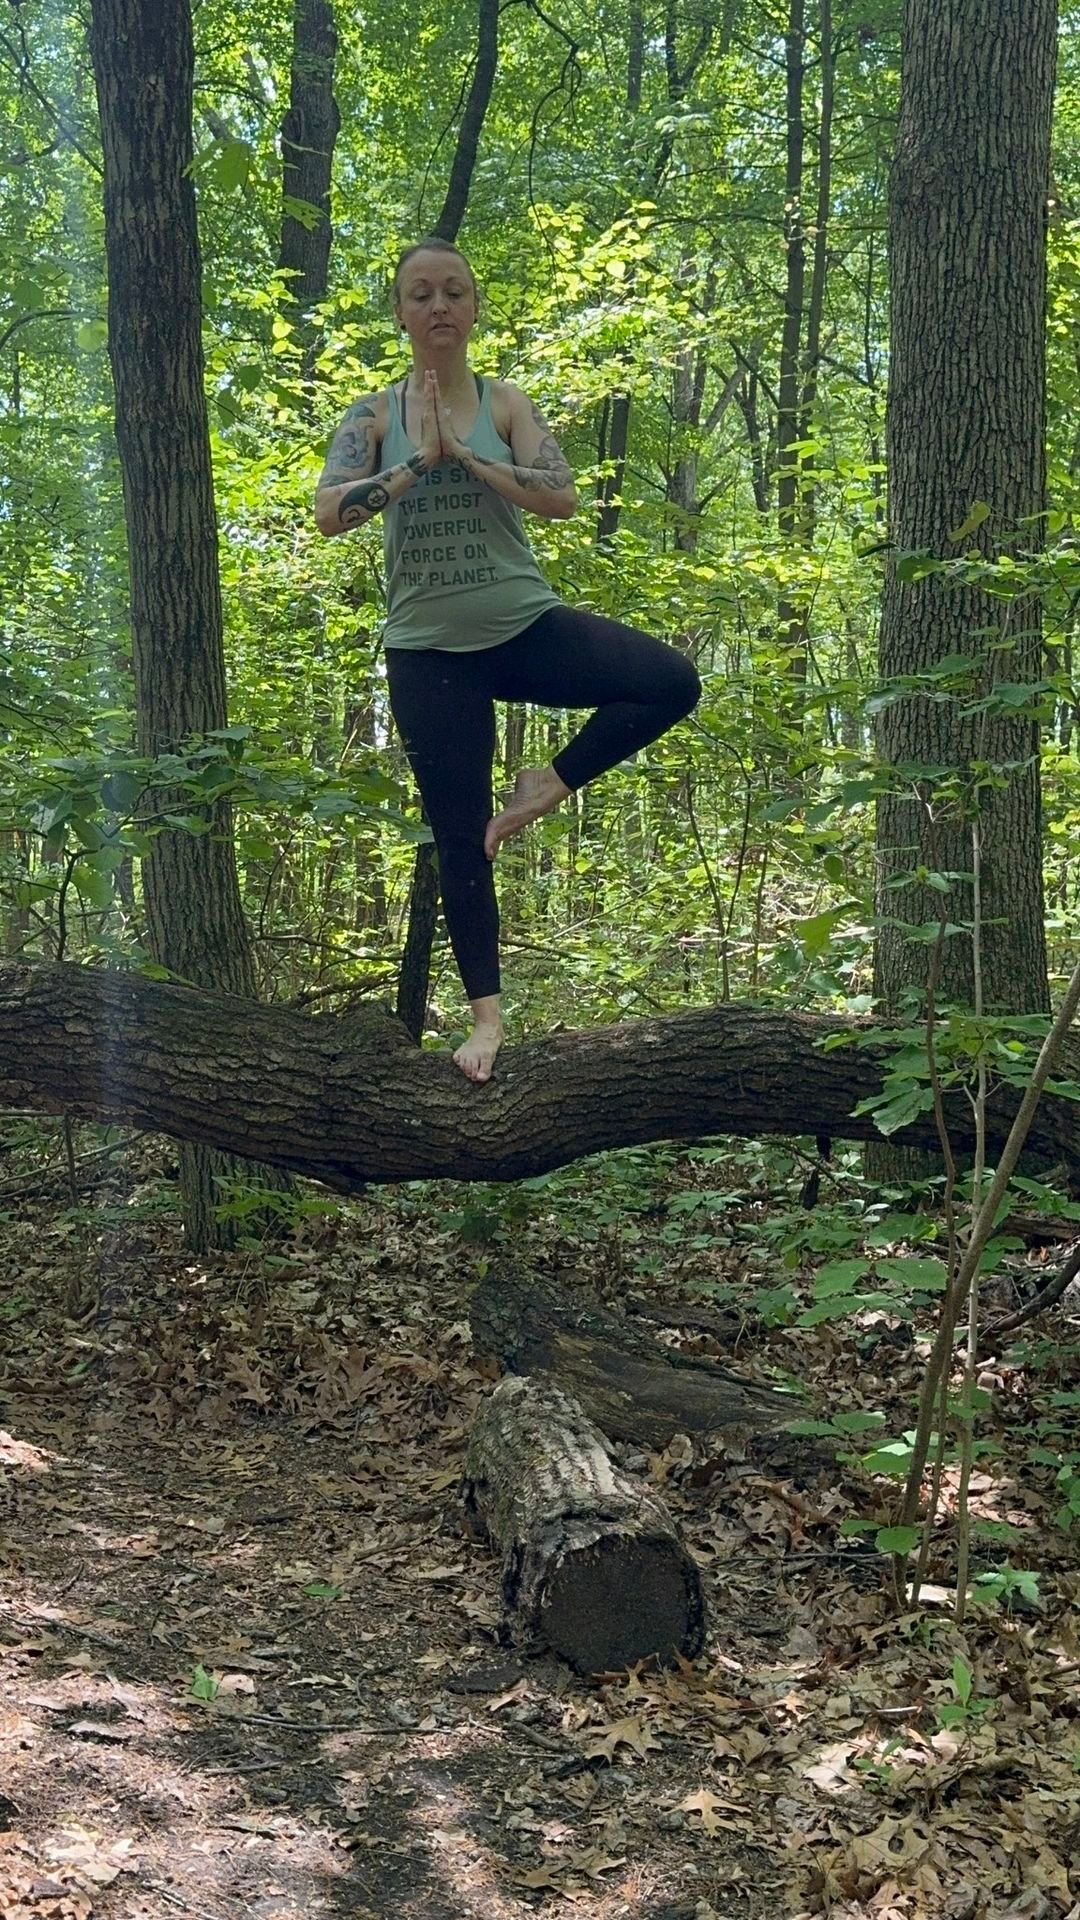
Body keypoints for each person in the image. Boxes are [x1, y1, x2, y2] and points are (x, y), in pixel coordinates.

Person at [314, 237, 701, 1085]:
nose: (439, 305)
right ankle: (486, 1021)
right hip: (427, 654)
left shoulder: (508, 402)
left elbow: (559, 497)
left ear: (475, 308)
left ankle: (548, 784)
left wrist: (473, 456)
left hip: (525, 624)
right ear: (402, 314)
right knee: (461, 837)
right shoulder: (372, 417)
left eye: (454, 290)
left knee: (672, 681)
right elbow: (330, 514)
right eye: (421, 294)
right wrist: (420, 461)